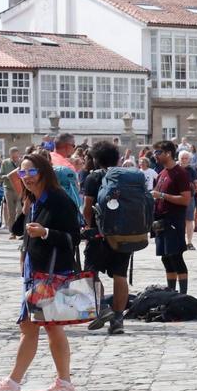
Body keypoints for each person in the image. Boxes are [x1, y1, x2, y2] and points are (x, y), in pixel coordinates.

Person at [0, 153, 83, 391]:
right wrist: (25, 210)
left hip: (50, 273)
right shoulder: (35, 199)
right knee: (45, 327)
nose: (26, 177)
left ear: (43, 172)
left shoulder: (58, 200)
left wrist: (46, 232)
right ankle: (62, 383)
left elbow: (74, 237)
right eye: (22, 172)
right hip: (35, 273)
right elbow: (17, 230)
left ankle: (14, 383)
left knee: (34, 327)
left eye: (31, 172)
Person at [81, 141, 130, 336]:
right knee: (120, 275)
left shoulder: (93, 178)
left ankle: (102, 307)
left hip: (99, 234)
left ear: (95, 159)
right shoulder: (127, 176)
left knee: (90, 273)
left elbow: (87, 207)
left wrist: (88, 227)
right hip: (125, 233)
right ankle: (118, 319)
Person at [150, 141, 192, 295]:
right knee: (166, 259)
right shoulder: (162, 173)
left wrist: (162, 195)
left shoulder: (180, 173)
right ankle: (171, 293)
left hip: (174, 221)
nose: (155, 156)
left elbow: (185, 199)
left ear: (168, 153)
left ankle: (183, 295)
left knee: (176, 257)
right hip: (161, 222)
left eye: (158, 152)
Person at [0, 147, 21, 237]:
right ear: (10, 155)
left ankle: (18, 231)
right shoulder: (5, 163)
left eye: (16, 157)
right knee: (11, 212)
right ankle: (12, 232)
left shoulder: (22, 162)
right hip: (8, 189)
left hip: (20, 189)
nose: (15, 159)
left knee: (19, 211)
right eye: (13, 157)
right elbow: (0, 177)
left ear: (18, 155)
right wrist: (7, 176)